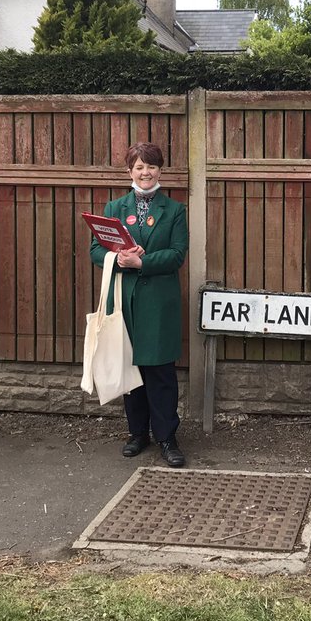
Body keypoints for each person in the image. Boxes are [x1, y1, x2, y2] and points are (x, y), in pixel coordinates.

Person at [90, 142, 189, 468]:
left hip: (159, 303)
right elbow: (95, 251)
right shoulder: (114, 207)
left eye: (151, 166)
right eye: (139, 167)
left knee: (160, 372)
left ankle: (167, 437)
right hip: (125, 300)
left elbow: (177, 255)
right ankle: (137, 434)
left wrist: (140, 264)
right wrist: (116, 258)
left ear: (161, 169)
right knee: (130, 370)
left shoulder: (174, 210)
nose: (145, 173)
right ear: (129, 171)